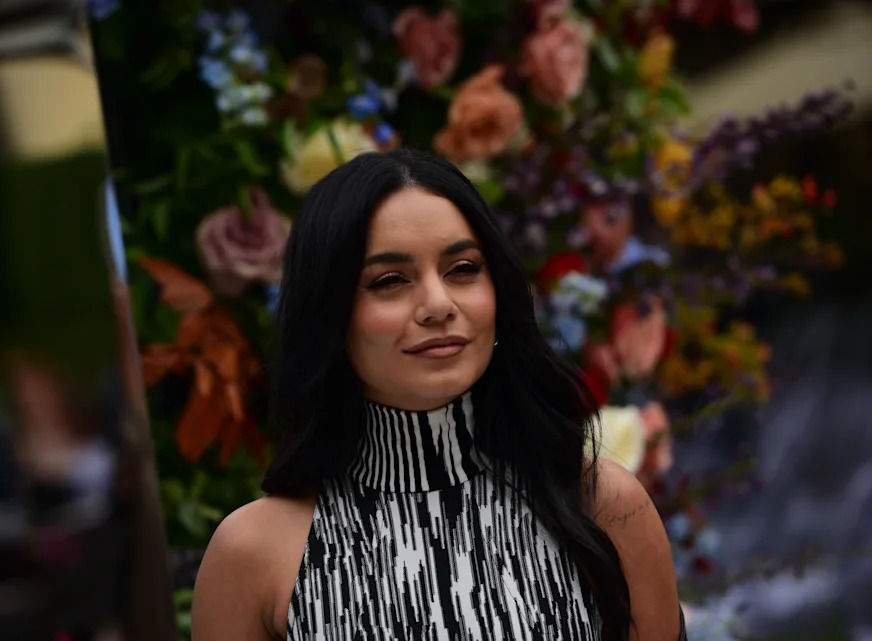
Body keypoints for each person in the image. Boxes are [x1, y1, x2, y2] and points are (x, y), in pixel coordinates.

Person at [192, 149, 685, 640]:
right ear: (329, 316)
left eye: (463, 268)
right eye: (389, 281)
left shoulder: (604, 504)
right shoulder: (252, 556)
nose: (437, 304)